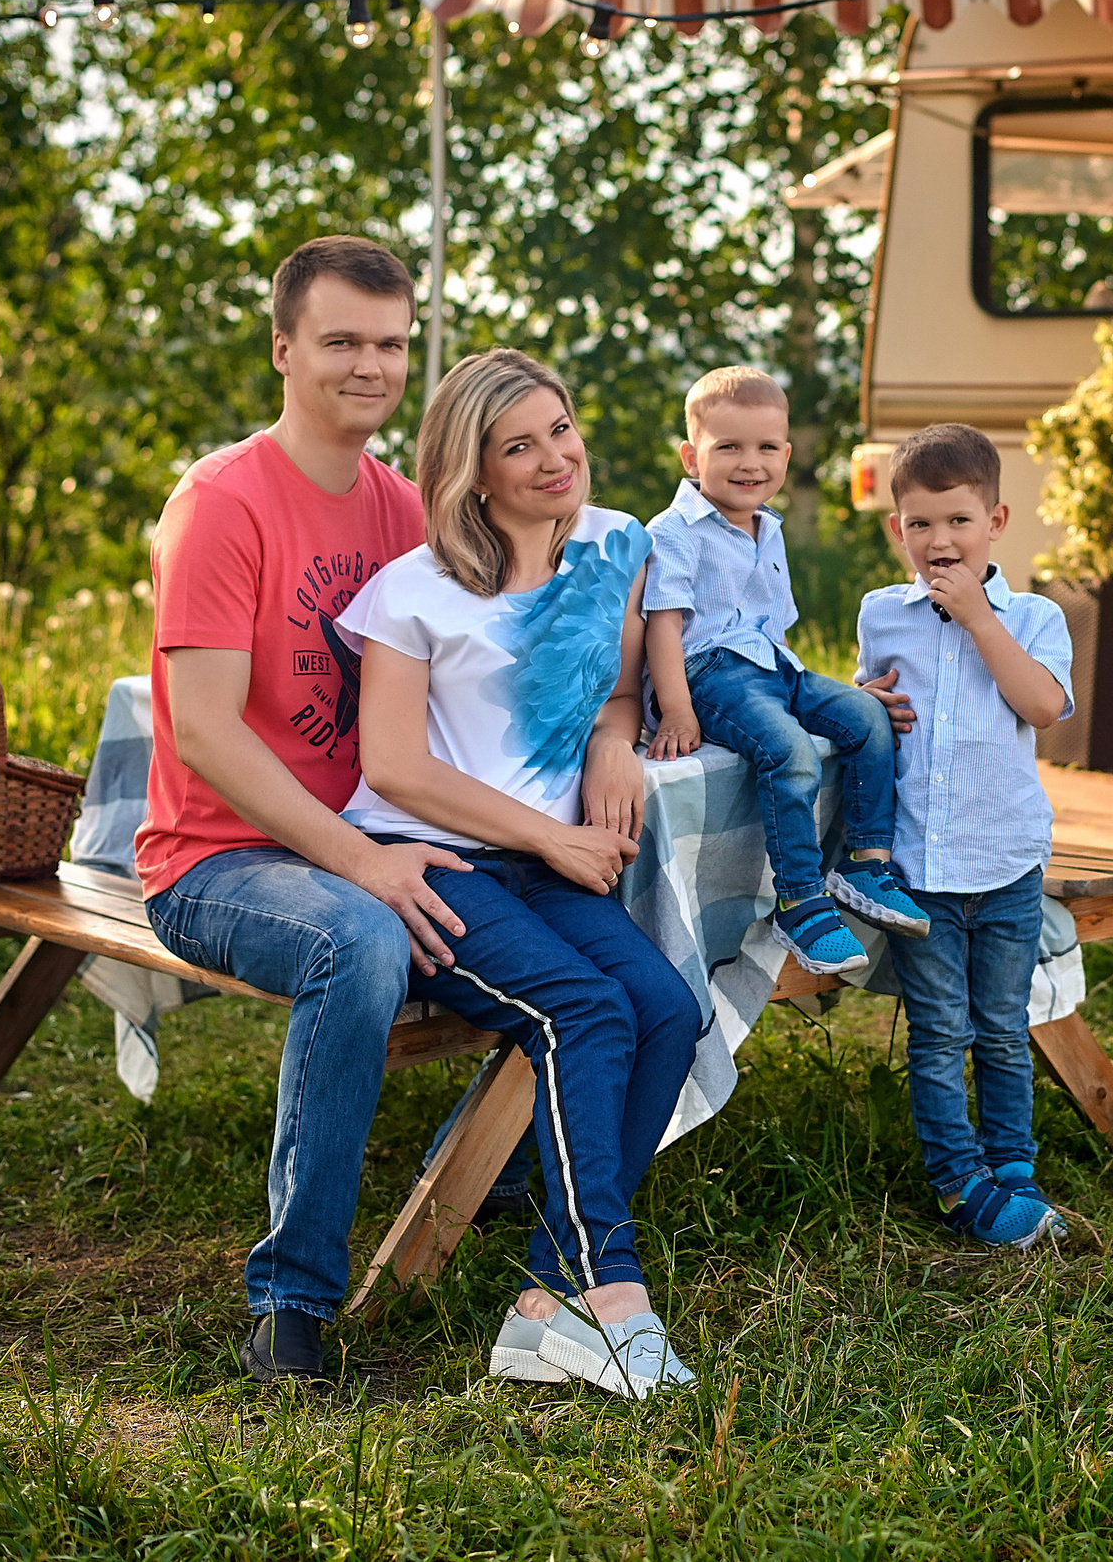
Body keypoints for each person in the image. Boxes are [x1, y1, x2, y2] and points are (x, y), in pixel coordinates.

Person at [140, 236, 530, 1385]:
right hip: (217, 861)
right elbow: (206, 732)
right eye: (343, 340)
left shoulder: (404, 505)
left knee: (557, 892)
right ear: (283, 348)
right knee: (359, 937)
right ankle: (292, 1299)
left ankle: (493, 1169)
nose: (371, 365)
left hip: (370, 837)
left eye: (392, 344)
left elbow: (491, 661)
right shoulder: (221, 501)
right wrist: (363, 859)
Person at [339, 346, 702, 1397]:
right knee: (583, 1009)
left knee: (667, 1011)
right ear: (472, 470)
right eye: (518, 445)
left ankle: (544, 1301)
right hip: (432, 861)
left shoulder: (615, 545)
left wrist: (612, 745)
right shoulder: (412, 592)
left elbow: (616, 690)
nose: (555, 458)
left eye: (561, 428)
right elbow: (393, 765)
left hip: (543, 857)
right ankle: (611, 1295)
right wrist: (549, 835)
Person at [853, 425, 1076, 1250]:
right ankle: (957, 1178)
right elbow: (870, 712)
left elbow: (1043, 706)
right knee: (941, 1031)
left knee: (1003, 1027)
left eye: (958, 521)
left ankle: (1012, 1164)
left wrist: (979, 617)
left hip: (1006, 861)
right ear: (896, 529)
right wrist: (864, 702)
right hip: (921, 867)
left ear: (996, 521)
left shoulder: (1035, 616)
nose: (939, 539)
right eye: (920, 523)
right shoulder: (882, 613)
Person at [641, 367, 928, 975]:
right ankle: (799, 900)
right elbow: (662, 626)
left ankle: (866, 864)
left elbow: (774, 631)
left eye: (767, 447)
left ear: (787, 455)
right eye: (729, 447)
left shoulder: (767, 528)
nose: (751, 463)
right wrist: (676, 708)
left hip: (774, 666)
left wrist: (819, 694)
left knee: (867, 717)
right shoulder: (673, 532)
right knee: (790, 750)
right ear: (692, 457)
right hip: (707, 673)